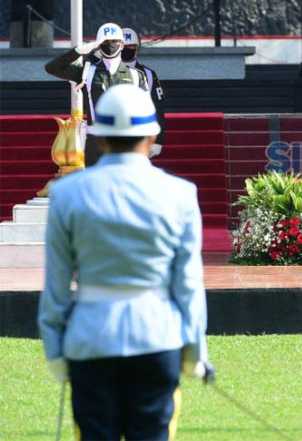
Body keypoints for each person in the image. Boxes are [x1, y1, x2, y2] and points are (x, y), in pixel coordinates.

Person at [38, 84, 211, 440]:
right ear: (151, 136)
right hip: (158, 338)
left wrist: (54, 349)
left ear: (98, 138)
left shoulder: (67, 193)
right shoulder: (180, 194)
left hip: (89, 340)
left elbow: (56, 281)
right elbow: (188, 283)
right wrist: (195, 351)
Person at [44, 22, 149, 166]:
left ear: (122, 44)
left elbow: (146, 111)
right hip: (95, 141)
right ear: (99, 45)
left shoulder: (136, 76)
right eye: (106, 41)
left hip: (125, 140)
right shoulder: (88, 73)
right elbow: (52, 67)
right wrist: (80, 50)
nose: (110, 44)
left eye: (114, 41)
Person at [122, 27, 166, 157]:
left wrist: (159, 140)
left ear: (138, 48)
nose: (127, 49)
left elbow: (158, 107)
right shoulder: (104, 72)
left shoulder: (149, 75)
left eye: (131, 46)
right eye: (123, 46)